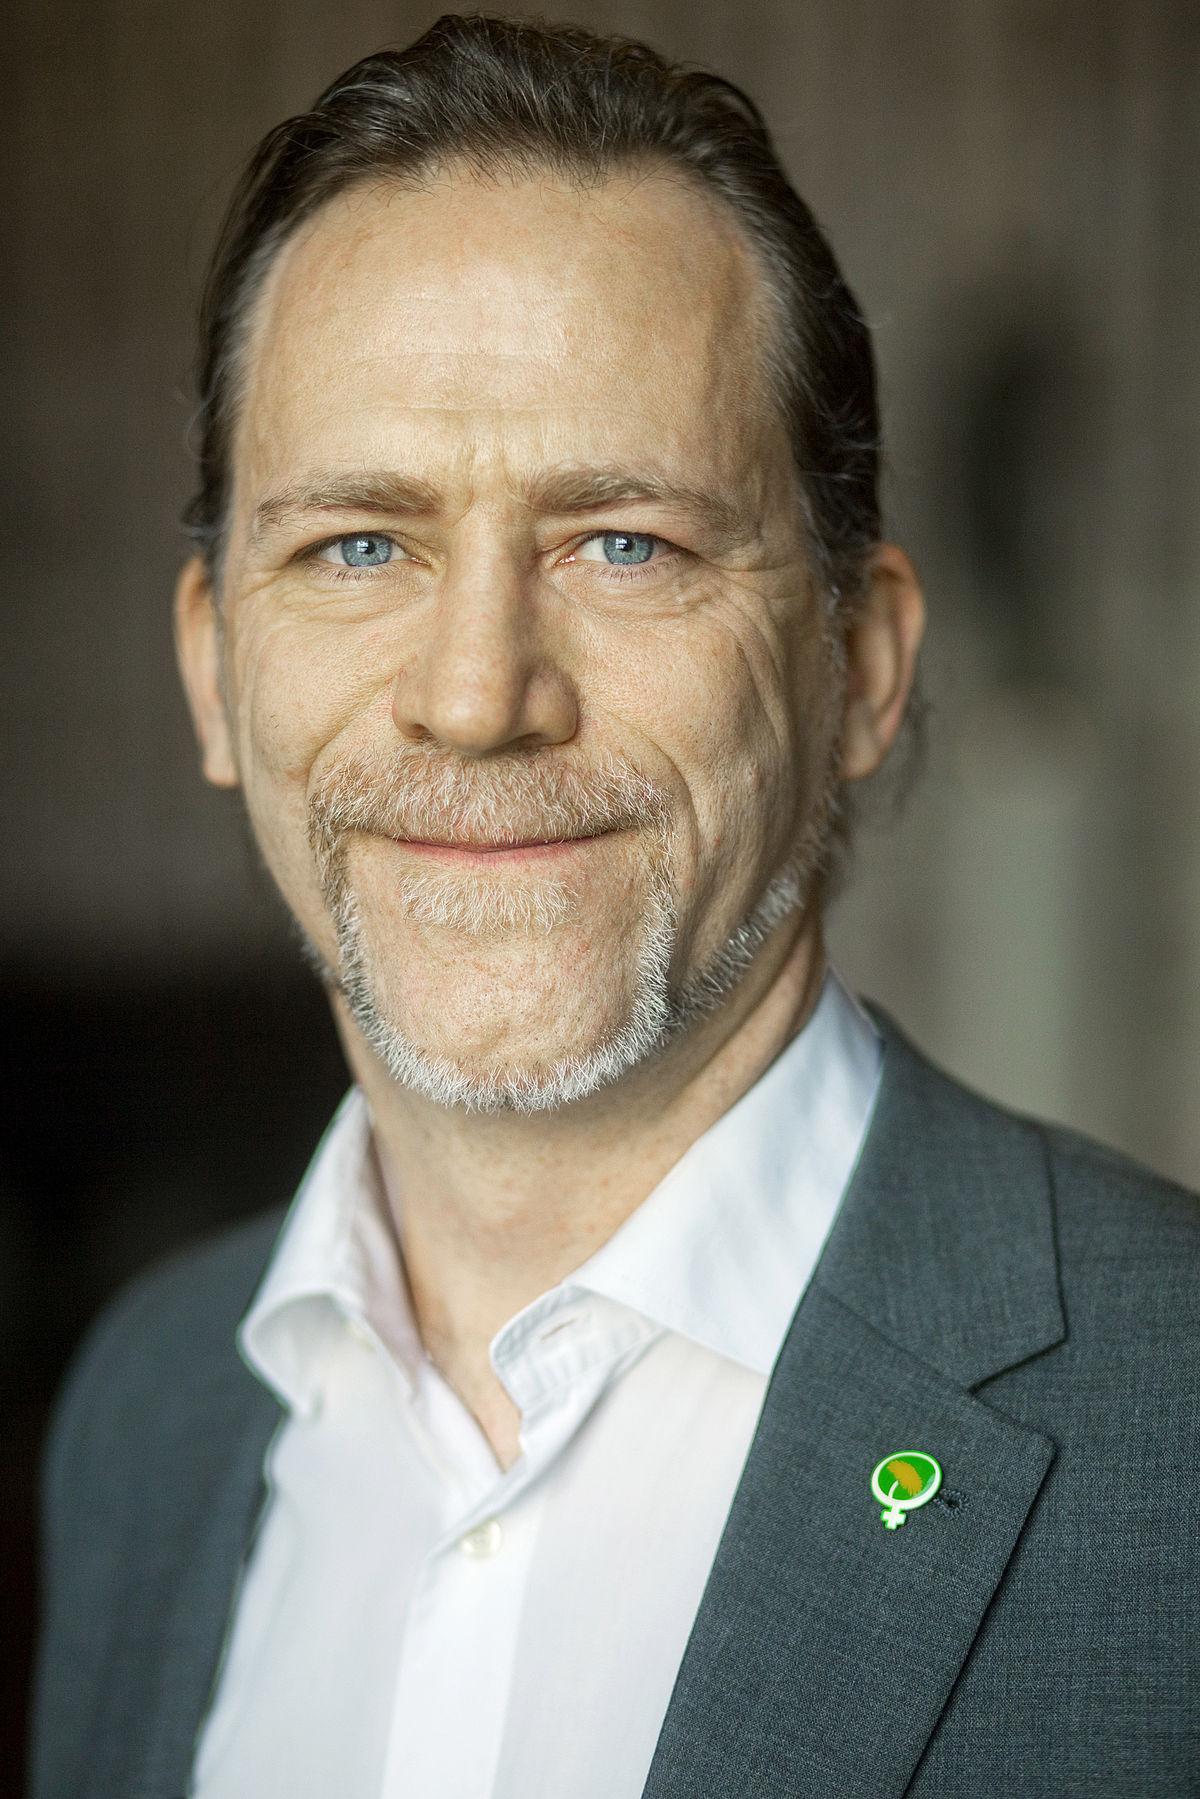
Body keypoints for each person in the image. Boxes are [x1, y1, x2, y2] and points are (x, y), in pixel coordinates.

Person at [31, 15, 1200, 1798]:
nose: (476, 694)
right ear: (213, 673)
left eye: (625, 542)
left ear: (863, 665)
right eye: (360, 545)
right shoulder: (149, 1412)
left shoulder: (1172, 1418)